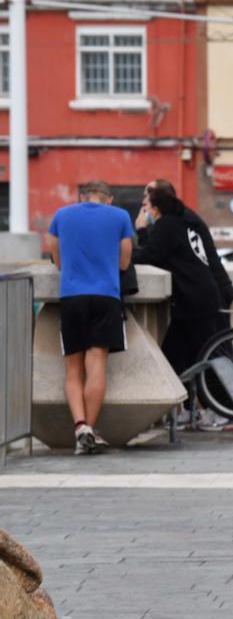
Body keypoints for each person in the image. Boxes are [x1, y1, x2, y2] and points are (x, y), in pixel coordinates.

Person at [46, 181, 134, 455]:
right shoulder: (120, 216)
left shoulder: (61, 215)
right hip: (107, 296)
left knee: (73, 369)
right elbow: (124, 262)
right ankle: (90, 430)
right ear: (108, 199)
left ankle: (80, 425)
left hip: (72, 296)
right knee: (96, 364)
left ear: (81, 197)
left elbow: (57, 260)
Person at [133, 185, 225, 378]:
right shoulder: (180, 221)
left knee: (187, 360)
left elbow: (149, 256)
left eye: (145, 205)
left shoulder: (166, 225)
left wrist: (141, 231)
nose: (144, 210)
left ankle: (222, 402)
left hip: (193, 303)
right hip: (197, 300)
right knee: (190, 359)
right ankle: (196, 403)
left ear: (155, 208)